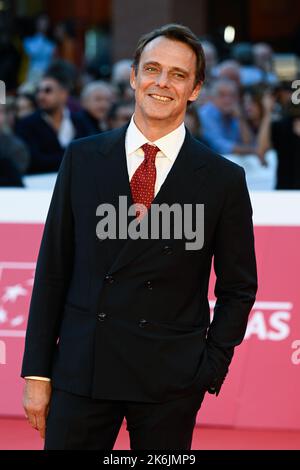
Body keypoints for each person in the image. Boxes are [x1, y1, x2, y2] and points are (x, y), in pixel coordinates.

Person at [21, 24, 257, 450]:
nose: (162, 83)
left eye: (178, 74)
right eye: (152, 69)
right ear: (133, 77)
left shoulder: (223, 179)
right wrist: (37, 372)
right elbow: (52, 269)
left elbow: (239, 287)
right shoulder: (82, 158)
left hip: (170, 380)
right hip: (82, 369)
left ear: (196, 89)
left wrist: (209, 366)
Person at [15, 70, 90, 174]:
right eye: (38, 91)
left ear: (63, 94)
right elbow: (34, 160)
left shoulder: (80, 121)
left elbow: (90, 153)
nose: (41, 96)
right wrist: (74, 158)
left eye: (47, 90)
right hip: (40, 185)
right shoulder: (26, 124)